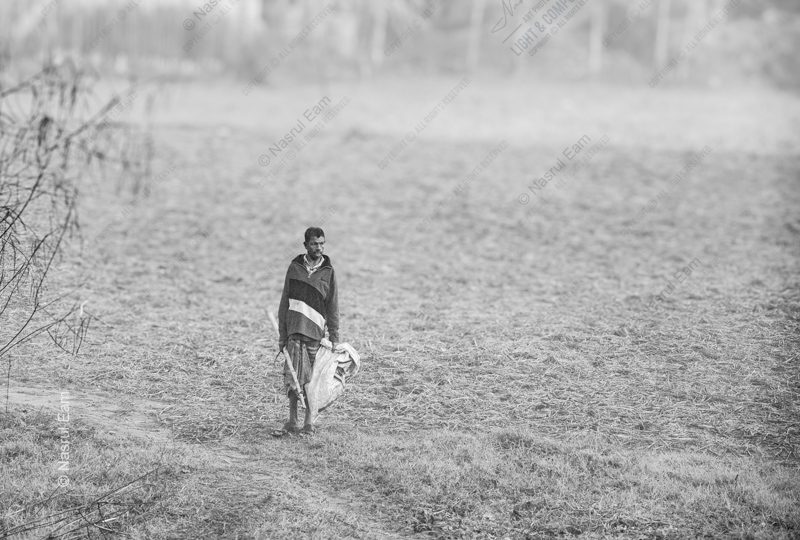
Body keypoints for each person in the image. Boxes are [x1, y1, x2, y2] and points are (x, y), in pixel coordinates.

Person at [277, 227, 339, 434]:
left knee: (312, 380)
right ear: (305, 245)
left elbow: (332, 306)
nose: (319, 247)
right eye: (314, 243)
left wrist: (335, 337)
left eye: (322, 243)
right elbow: (284, 301)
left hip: (315, 333)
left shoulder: (328, 272)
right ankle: (292, 420)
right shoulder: (294, 268)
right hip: (294, 331)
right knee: (294, 377)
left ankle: (309, 423)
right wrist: (282, 334)